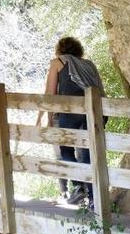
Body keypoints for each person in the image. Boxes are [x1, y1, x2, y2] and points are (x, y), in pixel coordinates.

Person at [35, 37, 104, 206]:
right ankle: (94, 199)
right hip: (93, 112)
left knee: (65, 150)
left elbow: (50, 94)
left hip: (70, 111)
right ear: (78, 49)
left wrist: (41, 116)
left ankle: (79, 187)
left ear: (60, 49)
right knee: (88, 154)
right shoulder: (89, 64)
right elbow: (100, 89)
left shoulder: (57, 62)